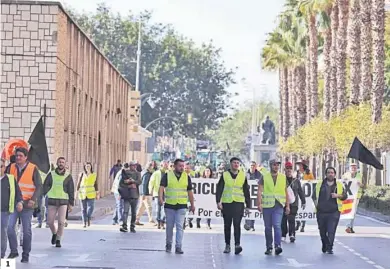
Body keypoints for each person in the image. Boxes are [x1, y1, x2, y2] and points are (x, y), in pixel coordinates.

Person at [6, 147, 42, 263]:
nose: (18, 158)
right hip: (14, 204)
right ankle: (14, 250)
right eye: (17, 156)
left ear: (26, 157)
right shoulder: (11, 167)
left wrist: (33, 199)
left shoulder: (33, 168)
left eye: (21, 156)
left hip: (27, 204)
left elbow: (39, 186)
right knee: (10, 228)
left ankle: (25, 254)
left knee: (26, 230)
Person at [159, 159, 195, 254]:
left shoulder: (186, 177)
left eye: (183, 166)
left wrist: (192, 204)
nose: (182, 168)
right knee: (169, 226)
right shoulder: (167, 175)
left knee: (180, 226)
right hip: (170, 205)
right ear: (174, 166)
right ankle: (168, 244)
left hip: (182, 205)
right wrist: (160, 199)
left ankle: (178, 246)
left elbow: (190, 192)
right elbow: (161, 187)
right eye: (180, 166)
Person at [216, 157, 251, 255]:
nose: (236, 164)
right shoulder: (225, 175)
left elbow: (246, 191)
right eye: (234, 163)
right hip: (227, 203)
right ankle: (227, 245)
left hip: (238, 203)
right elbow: (219, 189)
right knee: (227, 225)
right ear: (231, 164)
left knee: (237, 224)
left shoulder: (242, 175)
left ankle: (237, 245)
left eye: (237, 163)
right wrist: (218, 201)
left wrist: (248, 205)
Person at [257, 159, 289, 256]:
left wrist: (287, 205)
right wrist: (259, 203)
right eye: (274, 165)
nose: (276, 167)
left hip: (279, 205)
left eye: (277, 165)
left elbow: (286, 192)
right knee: (267, 227)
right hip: (267, 206)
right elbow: (259, 191)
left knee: (277, 225)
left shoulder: (283, 177)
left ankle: (277, 246)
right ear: (270, 166)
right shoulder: (265, 177)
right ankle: (269, 247)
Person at [42, 157, 74, 248]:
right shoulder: (51, 174)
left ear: (65, 164)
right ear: (57, 163)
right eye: (59, 162)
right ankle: (54, 233)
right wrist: (45, 194)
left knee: (61, 222)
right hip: (52, 201)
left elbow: (71, 190)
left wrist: (71, 204)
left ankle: (58, 239)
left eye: (63, 162)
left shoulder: (68, 176)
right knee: (50, 222)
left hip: (63, 202)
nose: (61, 163)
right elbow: (45, 185)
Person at [314, 167, 347, 254]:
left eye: (332, 172)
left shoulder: (339, 184)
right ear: (326, 174)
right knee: (322, 231)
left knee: (331, 230)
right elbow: (314, 196)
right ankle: (325, 244)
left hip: (334, 212)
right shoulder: (320, 184)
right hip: (321, 212)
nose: (330, 174)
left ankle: (329, 247)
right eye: (328, 172)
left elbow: (345, 196)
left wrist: (338, 195)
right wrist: (317, 206)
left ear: (334, 174)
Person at [1, 158, 23, 259]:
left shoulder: (10, 178)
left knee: (2, 233)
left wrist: (19, 202)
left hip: (4, 211)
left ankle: (1, 255)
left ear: (4, 167)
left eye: (0, 166)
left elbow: (18, 192)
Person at [281, 162, 305, 243]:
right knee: (283, 219)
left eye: (290, 168)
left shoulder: (296, 181)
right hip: (283, 203)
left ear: (292, 170)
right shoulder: (281, 180)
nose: (289, 170)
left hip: (294, 203)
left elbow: (300, 192)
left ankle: (292, 234)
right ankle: (283, 234)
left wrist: (303, 201)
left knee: (291, 219)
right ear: (284, 170)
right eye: (287, 168)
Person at [118, 162, 141, 233]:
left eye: (135, 166)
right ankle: (124, 226)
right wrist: (128, 185)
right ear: (130, 166)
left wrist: (133, 181)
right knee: (125, 212)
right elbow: (121, 184)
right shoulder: (125, 173)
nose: (133, 167)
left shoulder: (138, 173)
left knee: (134, 213)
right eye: (132, 165)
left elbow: (139, 182)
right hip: (127, 196)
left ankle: (132, 226)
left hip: (135, 196)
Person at [77, 162, 99, 228]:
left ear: (91, 167)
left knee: (91, 207)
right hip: (82, 193)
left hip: (91, 194)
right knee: (83, 209)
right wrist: (76, 192)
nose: (87, 167)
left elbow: (96, 184)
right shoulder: (81, 174)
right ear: (84, 167)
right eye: (86, 166)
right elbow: (78, 183)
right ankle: (84, 222)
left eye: (89, 166)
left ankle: (88, 217)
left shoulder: (94, 174)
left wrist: (97, 193)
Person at [343, 161, 363, 233]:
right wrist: (344, 181)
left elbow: (363, 186)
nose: (353, 168)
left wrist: (359, 184)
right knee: (348, 211)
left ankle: (350, 227)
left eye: (355, 167)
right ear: (349, 168)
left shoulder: (359, 175)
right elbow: (341, 183)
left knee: (353, 211)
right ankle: (349, 227)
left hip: (356, 196)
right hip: (347, 196)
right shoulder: (345, 175)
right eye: (352, 167)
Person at [295, 160, 314, 233]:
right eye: (298, 165)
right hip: (298, 193)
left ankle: (303, 225)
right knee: (297, 208)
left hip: (306, 194)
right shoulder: (296, 173)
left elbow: (312, 181)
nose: (299, 166)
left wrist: (309, 181)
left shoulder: (309, 174)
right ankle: (297, 223)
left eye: (300, 165)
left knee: (304, 209)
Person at [149, 161, 168, 229]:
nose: (166, 166)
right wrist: (150, 190)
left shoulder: (168, 173)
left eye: (166, 165)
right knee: (158, 209)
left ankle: (162, 221)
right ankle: (158, 222)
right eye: (165, 165)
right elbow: (151, 182)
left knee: (164, 208)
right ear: (161, 165)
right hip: (157, 193)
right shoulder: (156, 173)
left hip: (165, 194)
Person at [135, 161, 155, 225]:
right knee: (149, 207)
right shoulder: (147, 174)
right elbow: (144, 184)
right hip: (146, 193)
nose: (152, 167)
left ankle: (136, 219)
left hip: (143, 193)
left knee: (142, 207)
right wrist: (144, 194)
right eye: (151, 166)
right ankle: (151, 219)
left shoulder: (144, 172)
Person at [244, 161, 262, 232]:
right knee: (247, 208)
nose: (252, 167)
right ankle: (247, 224)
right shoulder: (245, 174)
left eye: (254, 165)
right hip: (247, 195)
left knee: (253, 209)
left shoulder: (259, 175)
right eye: (251, 165)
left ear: (256, 166)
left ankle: (252, 225)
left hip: (255, 195)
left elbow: (262, 183)